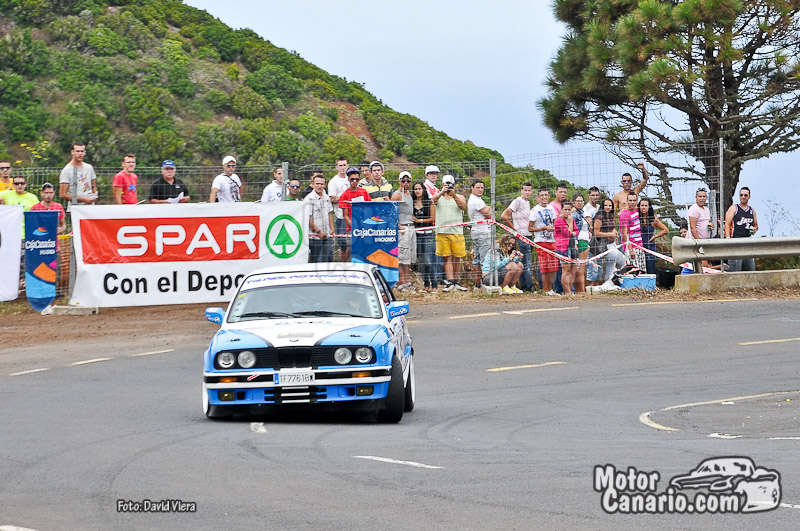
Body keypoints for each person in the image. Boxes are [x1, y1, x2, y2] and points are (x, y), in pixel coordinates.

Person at [433, 174, 468, 292]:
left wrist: (454, 195)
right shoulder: (439, 197)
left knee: (457, 257)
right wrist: (441, 192)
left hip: (457, 231)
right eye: (446, 184)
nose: (448, 187)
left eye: (450, 184)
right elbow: (432, 200)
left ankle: (456, 281)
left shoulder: (459, 196)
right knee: (446, 258)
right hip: (442, 231)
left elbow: (463, 206)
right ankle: (450, 281)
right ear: (442, 184)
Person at [500, 182, 535, 291]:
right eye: (525, 190)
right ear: (521, 191)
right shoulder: (517, 201)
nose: (527, 192)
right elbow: (504, 216)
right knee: (526, 263)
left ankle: (523, 286)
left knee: (525, 263)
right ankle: (527, 288)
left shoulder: (527, 203)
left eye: (529, 190)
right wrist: (514, 229)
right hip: (521, 236)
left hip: (529, 235)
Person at [529, 187, 558, 294]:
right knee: (545, 266)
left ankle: (550, 289)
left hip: (552, 240)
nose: (544, 197)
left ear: (549, 196)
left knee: (554, 266)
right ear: (538, 197)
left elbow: (555, 222)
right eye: (542, 195)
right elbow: (530, 228)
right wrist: (543, 228)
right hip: (540, 240)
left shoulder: (551, 208)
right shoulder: (534, 210)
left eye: (546, 195)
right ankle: (545, 289)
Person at [724, 186, 759, 272]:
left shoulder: (752, 211)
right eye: (741, 195)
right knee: (735, 269)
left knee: (750, 269)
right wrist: (728, 238)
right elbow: (727, 224)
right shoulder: (734, 208)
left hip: (747, 242)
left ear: (749, 196)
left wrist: (754, 229)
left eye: (745, 195)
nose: (743, 197)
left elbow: (756, 225)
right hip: (736, 241)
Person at [391, 171, 416, 291]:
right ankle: (402, 281)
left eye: (408, 181)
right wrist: (399, 226)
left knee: (409, 256)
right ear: (399, 181)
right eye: (403, 180)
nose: (406, 183)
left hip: (411, 226)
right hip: (403, 228)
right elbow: (391, 212)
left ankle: (407, 281)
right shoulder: (397, 194)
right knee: (402, 256)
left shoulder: (409, 194)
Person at [467, 178, 493, 290]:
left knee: (477, 259)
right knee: (484, 259)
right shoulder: (476, 200)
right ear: (472, 188)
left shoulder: (477, 199)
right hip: (482, 232)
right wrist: (490, 208)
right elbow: (489, 214)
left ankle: (478, 285)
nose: (480, 190)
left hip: (477, 231)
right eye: (478, 187)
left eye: (482, 188)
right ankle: (486, 284)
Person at [412, 180, 436, 292]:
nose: (417, 191)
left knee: (428, 260)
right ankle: (426, 284)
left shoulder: (429, 202)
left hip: (428, 234)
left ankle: (434, 284)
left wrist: (419, 220)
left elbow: (433, 219)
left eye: (419, 189)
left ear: (423, 190)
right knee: (421, 261)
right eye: (415, 189)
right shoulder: (412, 203)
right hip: (417, 234)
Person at [304, 174, 335, 263]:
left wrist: (332, 228)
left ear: (324, 185)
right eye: (317, 183)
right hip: (314, 237)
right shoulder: (308, 199)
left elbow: (329, 213)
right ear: (313, 184)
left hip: (327, 235)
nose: (319, 186)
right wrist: (318, 232)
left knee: (329, 259)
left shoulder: (326, 197)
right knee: (318, 261)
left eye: (322, 184)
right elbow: (307, 218)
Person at [593, 198, 625, 283]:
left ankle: (609, 283)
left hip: (612, 243)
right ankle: (622, 279)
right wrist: (610, 234)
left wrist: (614, 231)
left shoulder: (611, 216)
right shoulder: (599, 217)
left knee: (611, 266)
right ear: (602, 206)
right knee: (623, 260)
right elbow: (596, 233)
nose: (608, 207)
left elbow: (611, 227)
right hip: (603, 245)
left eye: (610, 205)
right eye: (606, 205)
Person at [59, 143, 97, 210]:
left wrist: (94, 194)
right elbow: (63, 194)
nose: (80, 153)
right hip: (75, 209)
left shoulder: (89, 168)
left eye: (82, 151)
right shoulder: (66, 171)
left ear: (85, 153)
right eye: (77, 151)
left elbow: (93, 186)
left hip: (90, 207)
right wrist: (84, 199)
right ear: (72, 152)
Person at [638, 197, 669, 274]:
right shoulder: (636, 217)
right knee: (639, 271)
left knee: (650, 270)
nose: (644, 207)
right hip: (638, 247)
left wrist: (655, 236)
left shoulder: (653, 219)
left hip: (650, 248)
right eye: (642, 205)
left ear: (649, 207)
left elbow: (665, 230)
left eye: (646, 205)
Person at [328, 157, 350, 261]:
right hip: (340, 216)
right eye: (340, 165)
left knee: (353, 242)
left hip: (353, 215)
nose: (342, 168)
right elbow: (332, 199)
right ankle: (344, 264)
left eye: (344, 165)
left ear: (348, 166)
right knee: (343, 243)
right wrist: (345, 198)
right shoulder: (333, 181)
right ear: (336, 167)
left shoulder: (351, 179)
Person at [554, 200, 578, 294]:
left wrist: (572, 231)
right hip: (562, 247)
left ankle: (571, 289)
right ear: (561, 210)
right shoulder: (559, 220)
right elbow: (568, 234)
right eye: (565, 209)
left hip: (571, 246)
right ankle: (567, 292)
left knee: (573, 269)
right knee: (565, 270)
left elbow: (576, 231)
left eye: (569, 210)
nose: (567, 212)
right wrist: (570, 224)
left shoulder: (570, 219)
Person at [619, 192, 647, 271]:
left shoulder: (638, 211)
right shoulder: (624, 214)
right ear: (627, 201)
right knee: (633, 271)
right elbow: (624, 234)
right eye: (630, 200)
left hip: (640, 246)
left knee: (642, 270)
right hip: (631, 247)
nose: (632, 202)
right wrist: (630, 250)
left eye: (634, 200)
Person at [338, 167, 371, 232]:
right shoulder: (345, 195)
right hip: (352, 228)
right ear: (348, 179)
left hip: (365, 226)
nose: (354, 182)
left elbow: (369, 208)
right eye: (352, 179)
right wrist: (354, 227)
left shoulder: (364, 192)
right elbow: (345, 216)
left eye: (357, 179)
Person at [583, 186, 603, 286]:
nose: (595, 197)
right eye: (593, 195)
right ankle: (589, 288)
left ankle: (596, 287)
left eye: (597, 195)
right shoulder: (586, 208)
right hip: (591, 240)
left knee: (599, 266)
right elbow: (590, 226)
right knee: (591, 266)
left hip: (600, 240)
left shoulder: (599, 207)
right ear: (589, 196)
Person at [572, 193, 590, 293]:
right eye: (578, 201)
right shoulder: (574, 214)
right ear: (573, 202)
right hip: (580, 241)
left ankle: (580, 290)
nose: (580, 203)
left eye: (581, 201)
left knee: (581, 268)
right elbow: (574, 229)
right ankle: (581, 291)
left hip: (585, 240)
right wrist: (575, 243)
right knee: (581, 268)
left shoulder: (581, 213)